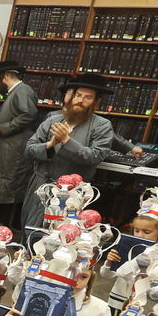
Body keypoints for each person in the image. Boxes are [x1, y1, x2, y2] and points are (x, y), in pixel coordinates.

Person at [20, 73, 115, 230]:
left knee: (59, 236)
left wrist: (66, 141)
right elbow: (29, 150)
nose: (80, 100)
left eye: (87, 97)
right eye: (78, 95)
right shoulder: (53, 120)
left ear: (96, 102)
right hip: (40, 187)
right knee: (30, 229)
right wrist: (50, 144)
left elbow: (95, 156)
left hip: (71, 194)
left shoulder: (102, 126)